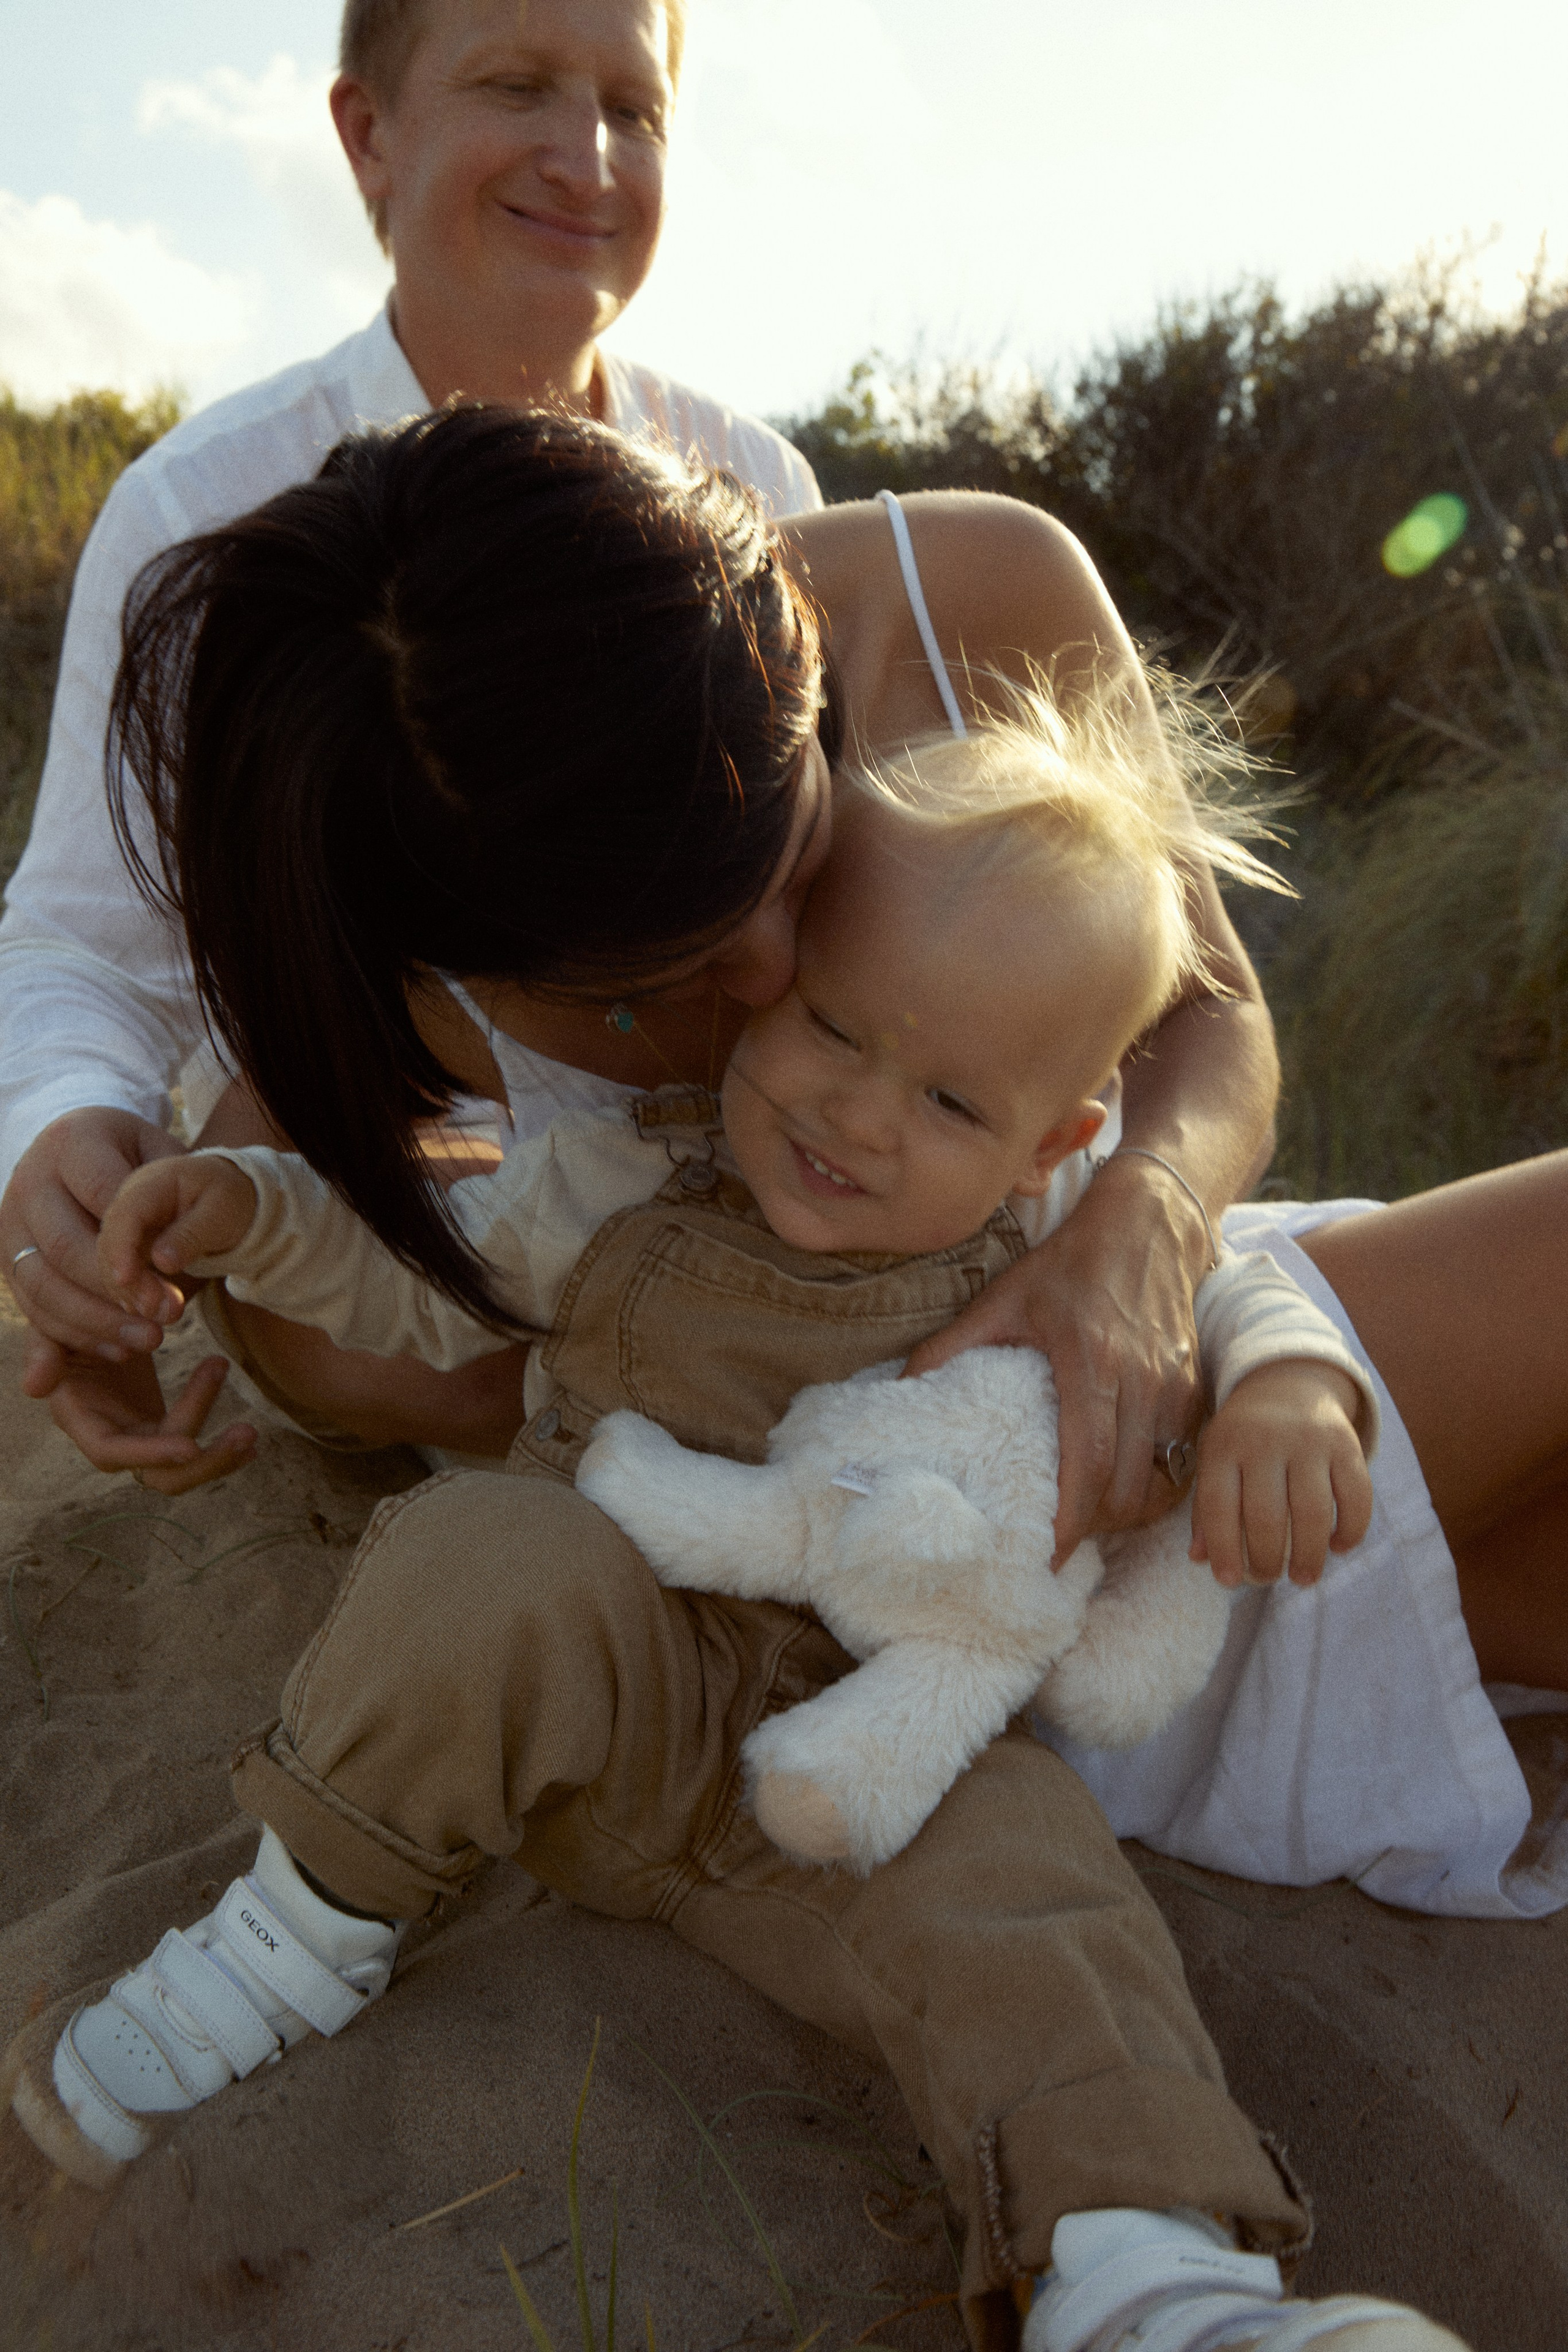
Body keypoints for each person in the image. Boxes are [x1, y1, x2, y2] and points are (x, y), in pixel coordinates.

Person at [8, 686, 1467, 2352]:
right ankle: (294, 1932)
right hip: (594, 1708)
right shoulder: (634, 1182)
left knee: (1037, 1885)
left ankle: (1146, 2269)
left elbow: (1241, 1292)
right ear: (756, 987)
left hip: (865, 1769)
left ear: (1058, 1140)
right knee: (489, 1558)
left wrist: (1290, 1395)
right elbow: (419, 1270)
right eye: (837, 1031)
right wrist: (252, 1216)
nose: (857, 1114)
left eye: (950, 1104)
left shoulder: (1058, 1228)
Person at [0, 0, 818, 1466]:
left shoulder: (747, 482)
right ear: (367, 135)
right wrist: (65, 1134)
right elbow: (79, 943)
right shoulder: (202, 509)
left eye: (634, 109)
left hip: (735, 1166)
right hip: (391, 1217)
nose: (586, 157)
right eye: (518, 87)